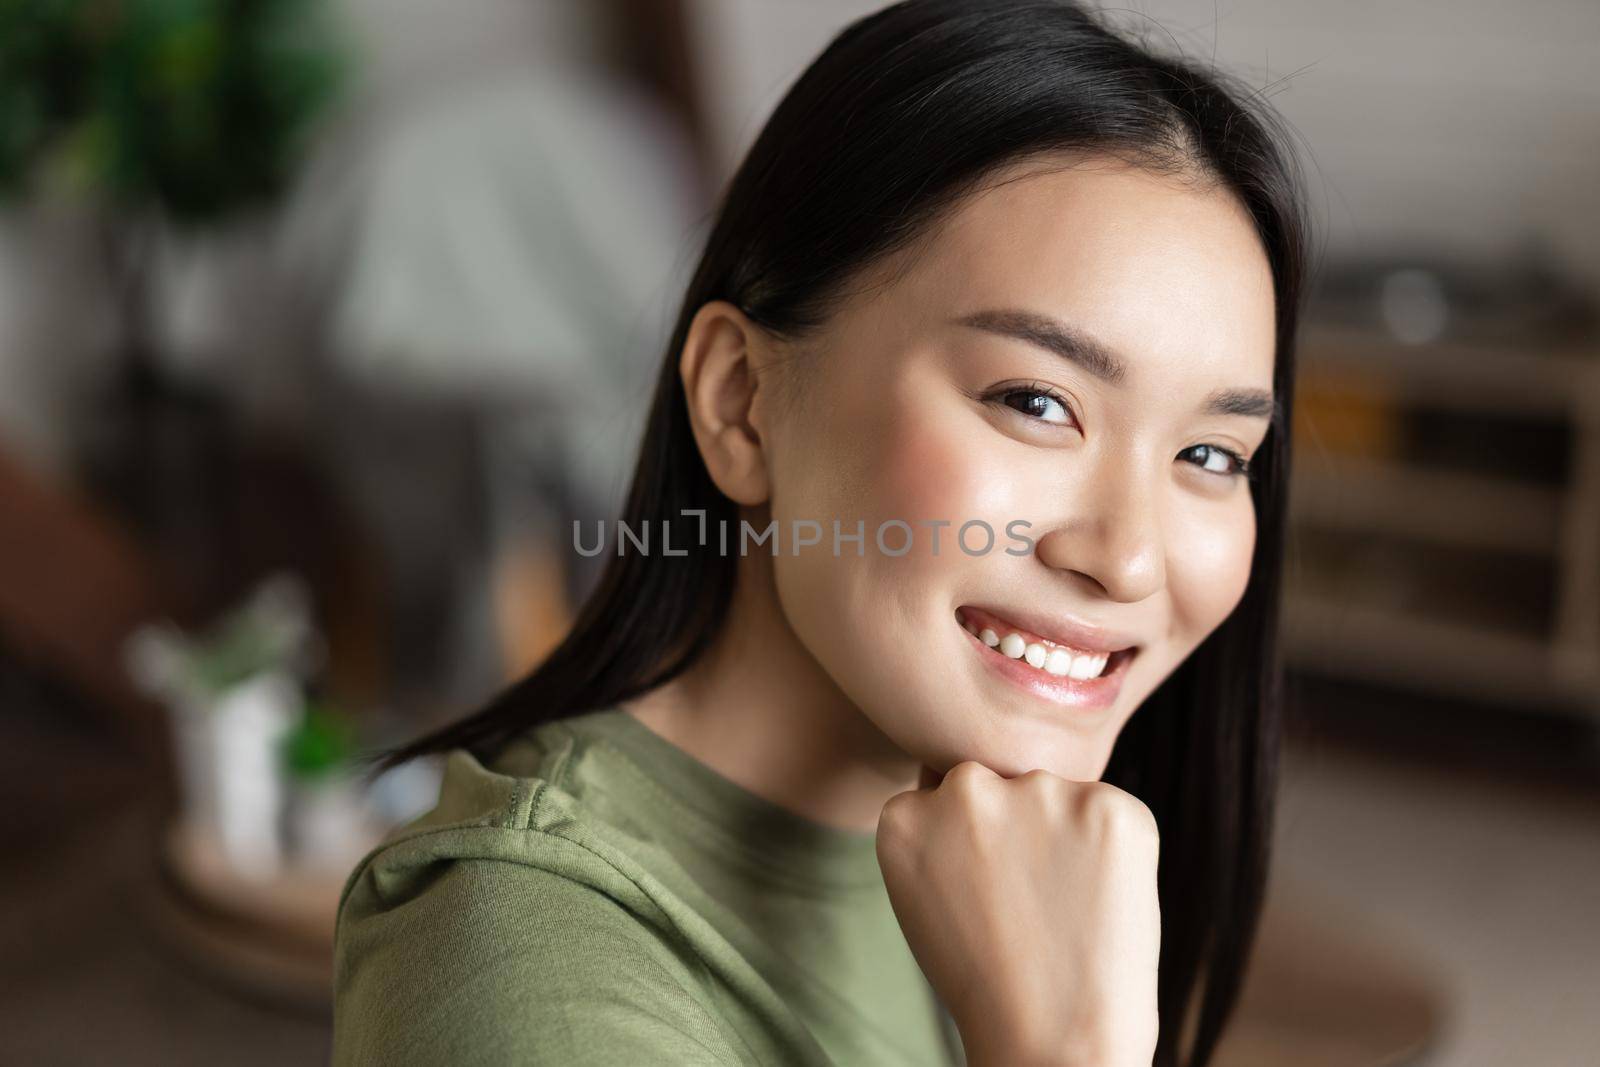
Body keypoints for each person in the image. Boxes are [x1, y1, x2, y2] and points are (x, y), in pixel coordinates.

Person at [331, 0, 1312, 1064]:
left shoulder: (1011, 852)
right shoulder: (520, 966)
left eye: (1210, 455)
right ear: (740, 402)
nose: (1126, 556)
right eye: (1035, 401)